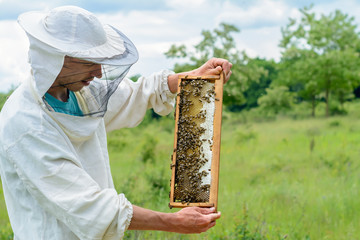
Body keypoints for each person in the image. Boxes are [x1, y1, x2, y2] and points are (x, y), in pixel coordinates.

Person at [0, 5, 232, 239]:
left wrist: (191, 78)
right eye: (90, 62)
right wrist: (174, 222)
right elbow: (90, 207)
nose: (99, 73)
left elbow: (134, 93)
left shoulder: (82, 94)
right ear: (58, 59)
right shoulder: (25, 124)